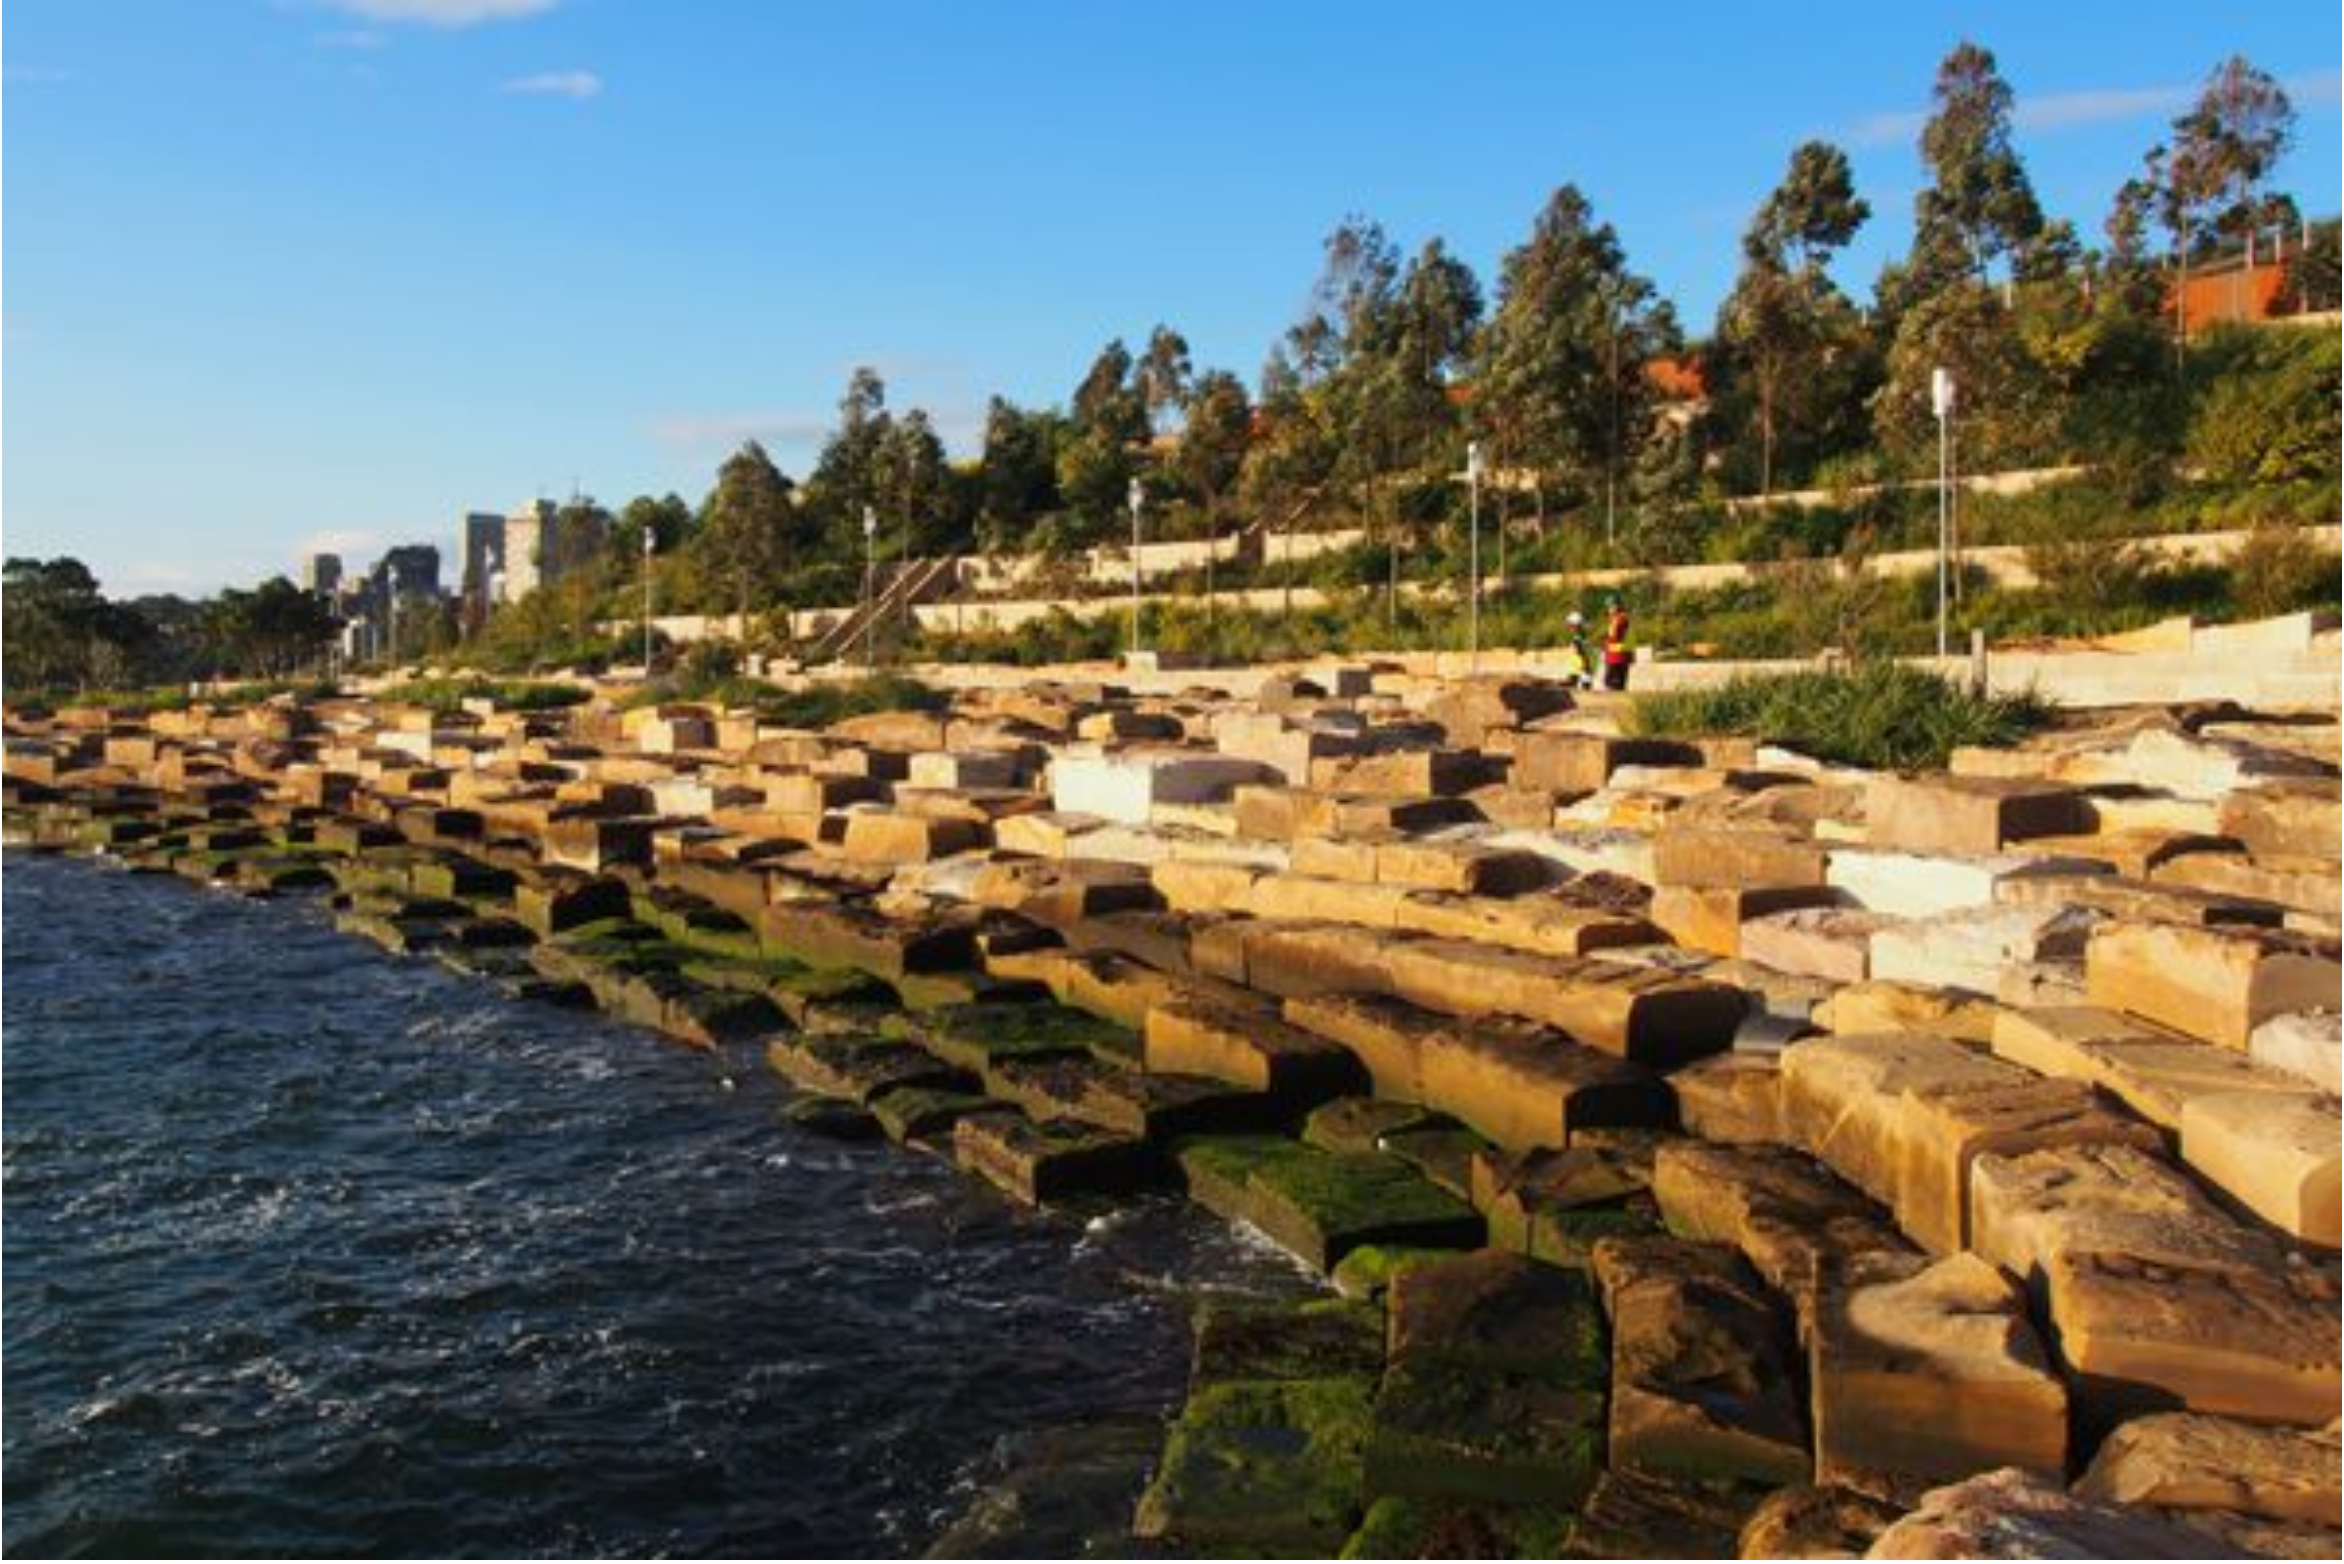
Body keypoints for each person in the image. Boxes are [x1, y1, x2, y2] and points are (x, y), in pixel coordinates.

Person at [1602, 596, 1632, 691]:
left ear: (1617, 606)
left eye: (1611, 606)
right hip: (1618, 655)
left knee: (1612, 682)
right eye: (1608, 607)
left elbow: (1614, 636)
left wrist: (1606, 640)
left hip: (1617, 656)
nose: (1609, 609)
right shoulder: (1618, 618)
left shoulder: (1619, 619)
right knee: (1615, 682)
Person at [1564, 610, 1594, 687]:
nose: (1569, 628)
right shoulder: (1582, 637)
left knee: (1583, 689)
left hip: (1580, 670)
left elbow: (1583, 654)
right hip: (1580, 669)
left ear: (1575, 626)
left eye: (1570, 625)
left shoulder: (1578, 639)